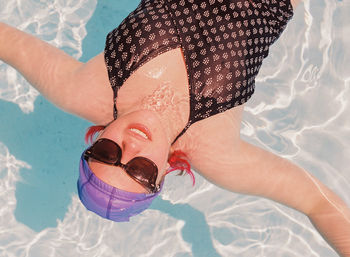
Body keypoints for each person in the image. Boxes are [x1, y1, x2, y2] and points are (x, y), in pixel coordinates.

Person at [0, 0, 349, 255]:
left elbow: (7, 41)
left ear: (94, 142)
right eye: (139, 170)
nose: (130, 146)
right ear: (164, 173)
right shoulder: (216, 153)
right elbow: (317, 205)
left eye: (107, 153)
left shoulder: (81, 90)